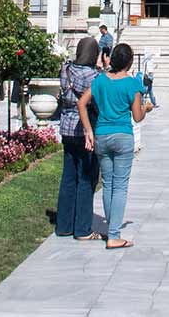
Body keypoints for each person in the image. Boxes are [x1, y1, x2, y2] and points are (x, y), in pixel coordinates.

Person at [78, 42, 150, 250]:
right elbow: (137, 117)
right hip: (122, 136)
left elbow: (81, 103)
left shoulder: (100, 80)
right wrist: (146, 107)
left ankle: (112, 229)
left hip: (101, 134)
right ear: (129, 62)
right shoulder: (132, 84)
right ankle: (114, 235)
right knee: (120, 186)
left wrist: (88, 131)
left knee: (108, 184)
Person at [57, 37, 101, 240]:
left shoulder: (65, 70)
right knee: (86, 178)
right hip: (86, 131)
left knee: (68, 177)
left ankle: (64, 226)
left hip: (66, 128)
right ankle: (83, 228)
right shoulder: (93, 76)